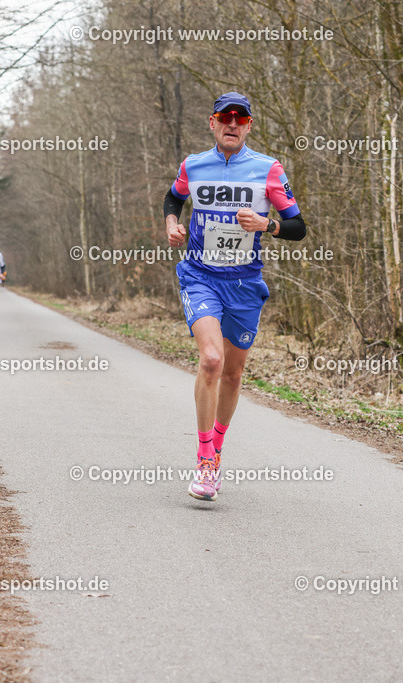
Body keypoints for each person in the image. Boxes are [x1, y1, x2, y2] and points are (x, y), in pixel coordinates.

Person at [164, 92, 307, 501]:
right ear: (212, 122)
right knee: (211, 361)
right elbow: (174, 195)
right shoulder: (193, 165)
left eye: (239, 118)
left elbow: (298, 227)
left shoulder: (268, 169)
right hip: (200, 275)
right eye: (224, 117)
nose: (232, 123)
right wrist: (172, 222)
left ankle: (218, 449)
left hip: (244, 283)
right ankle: (205, 460)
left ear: (248, 126)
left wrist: (268, 225)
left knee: (233, 373)